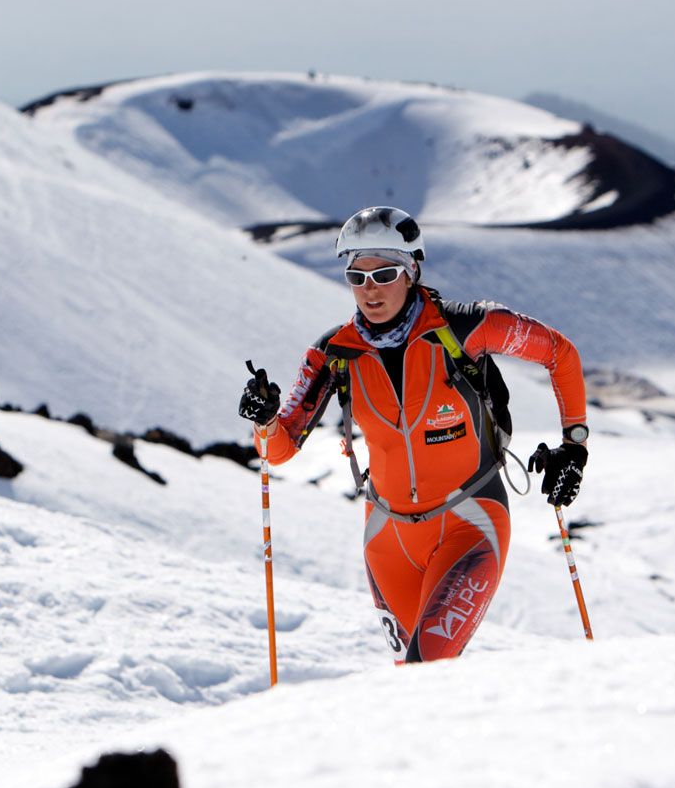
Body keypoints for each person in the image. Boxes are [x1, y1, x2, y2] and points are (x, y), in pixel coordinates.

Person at [239, 206, 588, 663]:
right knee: (413, 683)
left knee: (430, 666)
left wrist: (574, 445)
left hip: (470, 521)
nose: (370, 289)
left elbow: (559, 353)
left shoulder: (467, 328)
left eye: (384, 273)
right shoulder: (334, 353)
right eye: (356, 276)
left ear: (411, 270)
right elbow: (277, 451)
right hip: (387, 538)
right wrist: (263, 419)